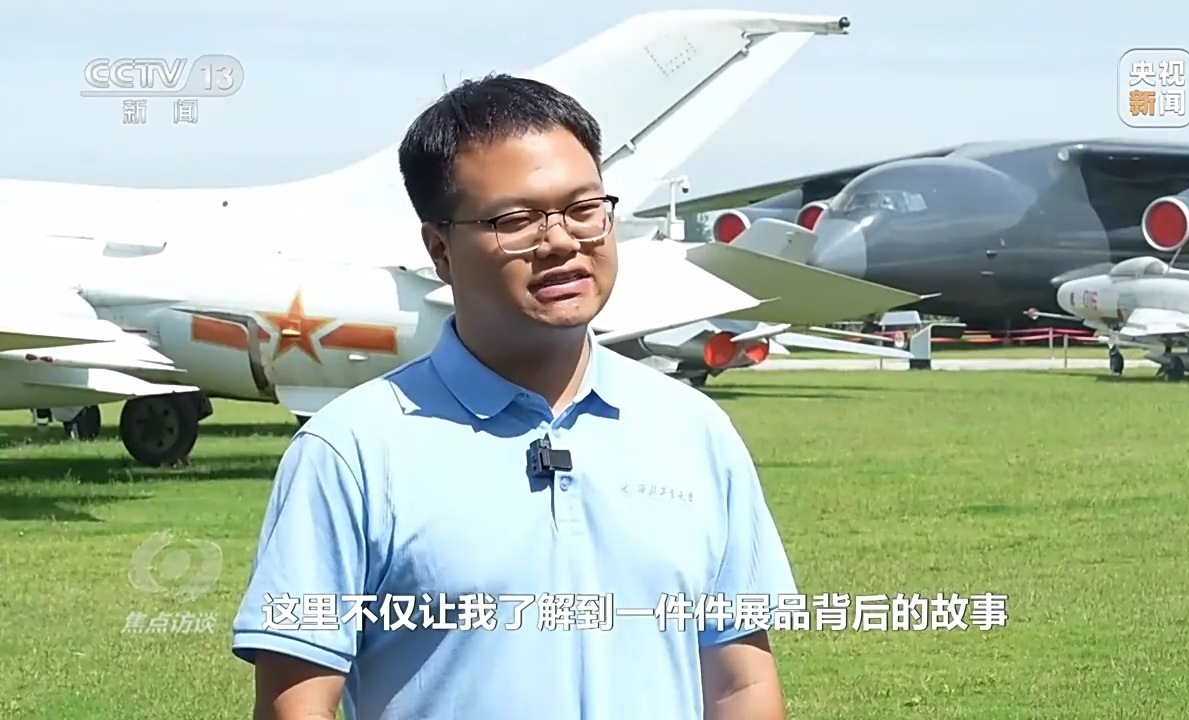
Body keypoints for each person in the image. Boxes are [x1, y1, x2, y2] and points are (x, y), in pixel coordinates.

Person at [230, 73, 797, 720]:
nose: (561, 242)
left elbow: (740, 683)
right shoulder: (350, 452)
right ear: (440, 250)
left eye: (584, 209)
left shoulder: (694, 432)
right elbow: (297, 703)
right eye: (516, 220)